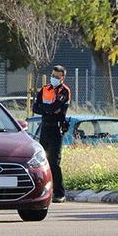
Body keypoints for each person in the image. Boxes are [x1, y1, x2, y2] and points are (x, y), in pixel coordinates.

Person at [32, 65, 70, 202]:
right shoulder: (45, 89)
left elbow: (58, 107)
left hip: (56, 128)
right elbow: (35, 107)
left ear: (62, 78)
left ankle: (59, 193)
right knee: (43, 161)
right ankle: (45, 191)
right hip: (45, 128)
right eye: (52, 75)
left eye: (57, 76)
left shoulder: (64, 91)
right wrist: (48, 110)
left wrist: (46, 108)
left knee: (54, 162)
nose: (53, 78)